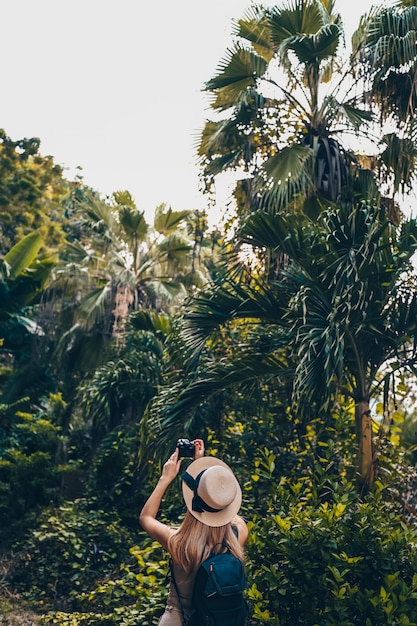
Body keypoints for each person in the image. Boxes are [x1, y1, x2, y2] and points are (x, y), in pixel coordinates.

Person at [139, 439, 248, 625]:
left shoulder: (178, 542)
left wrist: (165, 478)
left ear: (192, 504)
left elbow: (146, 518)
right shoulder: (238, 536)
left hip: (177, 620)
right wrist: (215, 488)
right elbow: (226, 508)